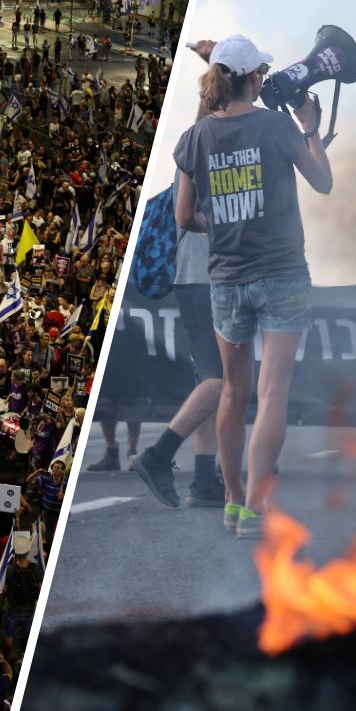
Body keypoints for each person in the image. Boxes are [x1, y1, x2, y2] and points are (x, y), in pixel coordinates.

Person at [172, 34, 331, 538]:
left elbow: (182, 216)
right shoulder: (276, 125)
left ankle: (232, 502)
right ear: (254, 78)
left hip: (226, 280)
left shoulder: (194, 138)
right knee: (273, 392)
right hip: (282, 273)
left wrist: (219, 223)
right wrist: (312, 129)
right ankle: (257, 509)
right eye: (261, 72)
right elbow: (323, 182)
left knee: (233, 393)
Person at [131, 186, 225, 508]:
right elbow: (191, 217)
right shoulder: (207, 145)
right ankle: (158, 456)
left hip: (203, 277)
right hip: (205, 278)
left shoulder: (199, 142)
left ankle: (203, 482)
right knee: (221, 380)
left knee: (208, 382)